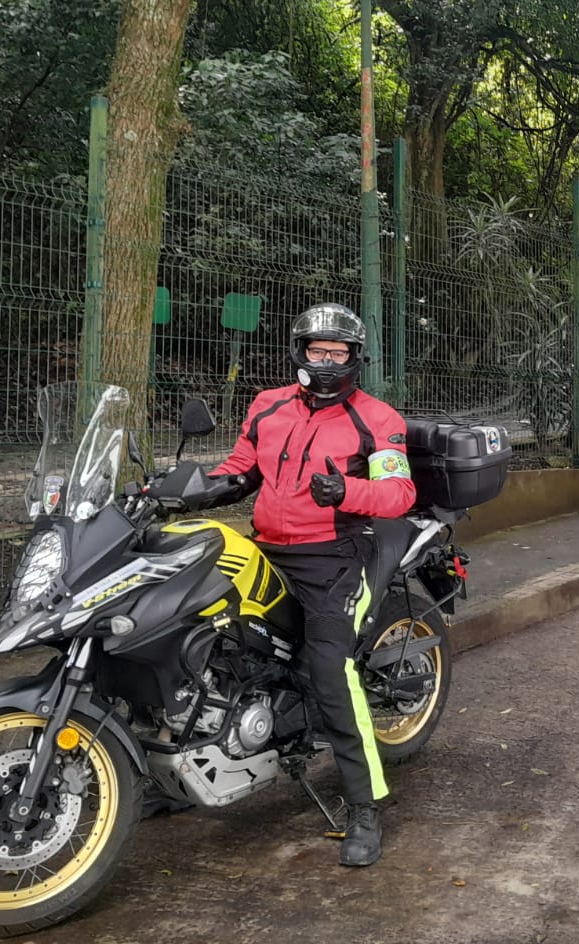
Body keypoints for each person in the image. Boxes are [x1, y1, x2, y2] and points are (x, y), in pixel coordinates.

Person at [206, 302, 415, 867]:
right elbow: (240, 469)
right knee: (212, 637)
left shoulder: (378, 418)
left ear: (355, 358)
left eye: (337, 353)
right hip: (267, 545)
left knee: (330, 668)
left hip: (338, 555)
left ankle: (366, 806)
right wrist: (191, 488)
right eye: (316, 351)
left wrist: (345, 493)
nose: (325, 362)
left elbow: (399, 496)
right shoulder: (268, 404)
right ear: (299, 352)